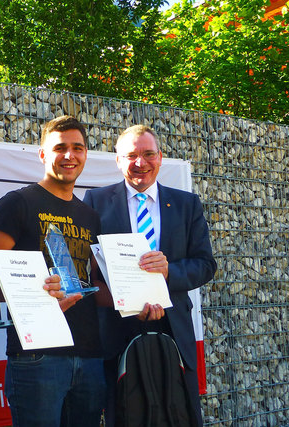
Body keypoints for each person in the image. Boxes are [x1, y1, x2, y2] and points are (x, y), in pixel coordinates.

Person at [83, 124, 217, 426]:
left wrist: (169, 270)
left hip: (174, 327)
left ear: (160, 157)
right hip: (118, 329)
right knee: (125, 414)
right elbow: (87, 271)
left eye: (148, 154)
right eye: (131, 156)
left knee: (179, 414)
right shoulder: (95, 202)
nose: (140, 163)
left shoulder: (186, 204)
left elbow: (205, 264)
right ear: (118, 160)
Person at [0, 115, 106, 427]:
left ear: (85, 154)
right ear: (43, 154)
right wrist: (38, 293)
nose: (70, 156)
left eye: (77, 148)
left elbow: (95, 284)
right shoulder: (17, 203)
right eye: (60, 148)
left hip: (90, 355)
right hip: (37, 355)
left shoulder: (91, 216)